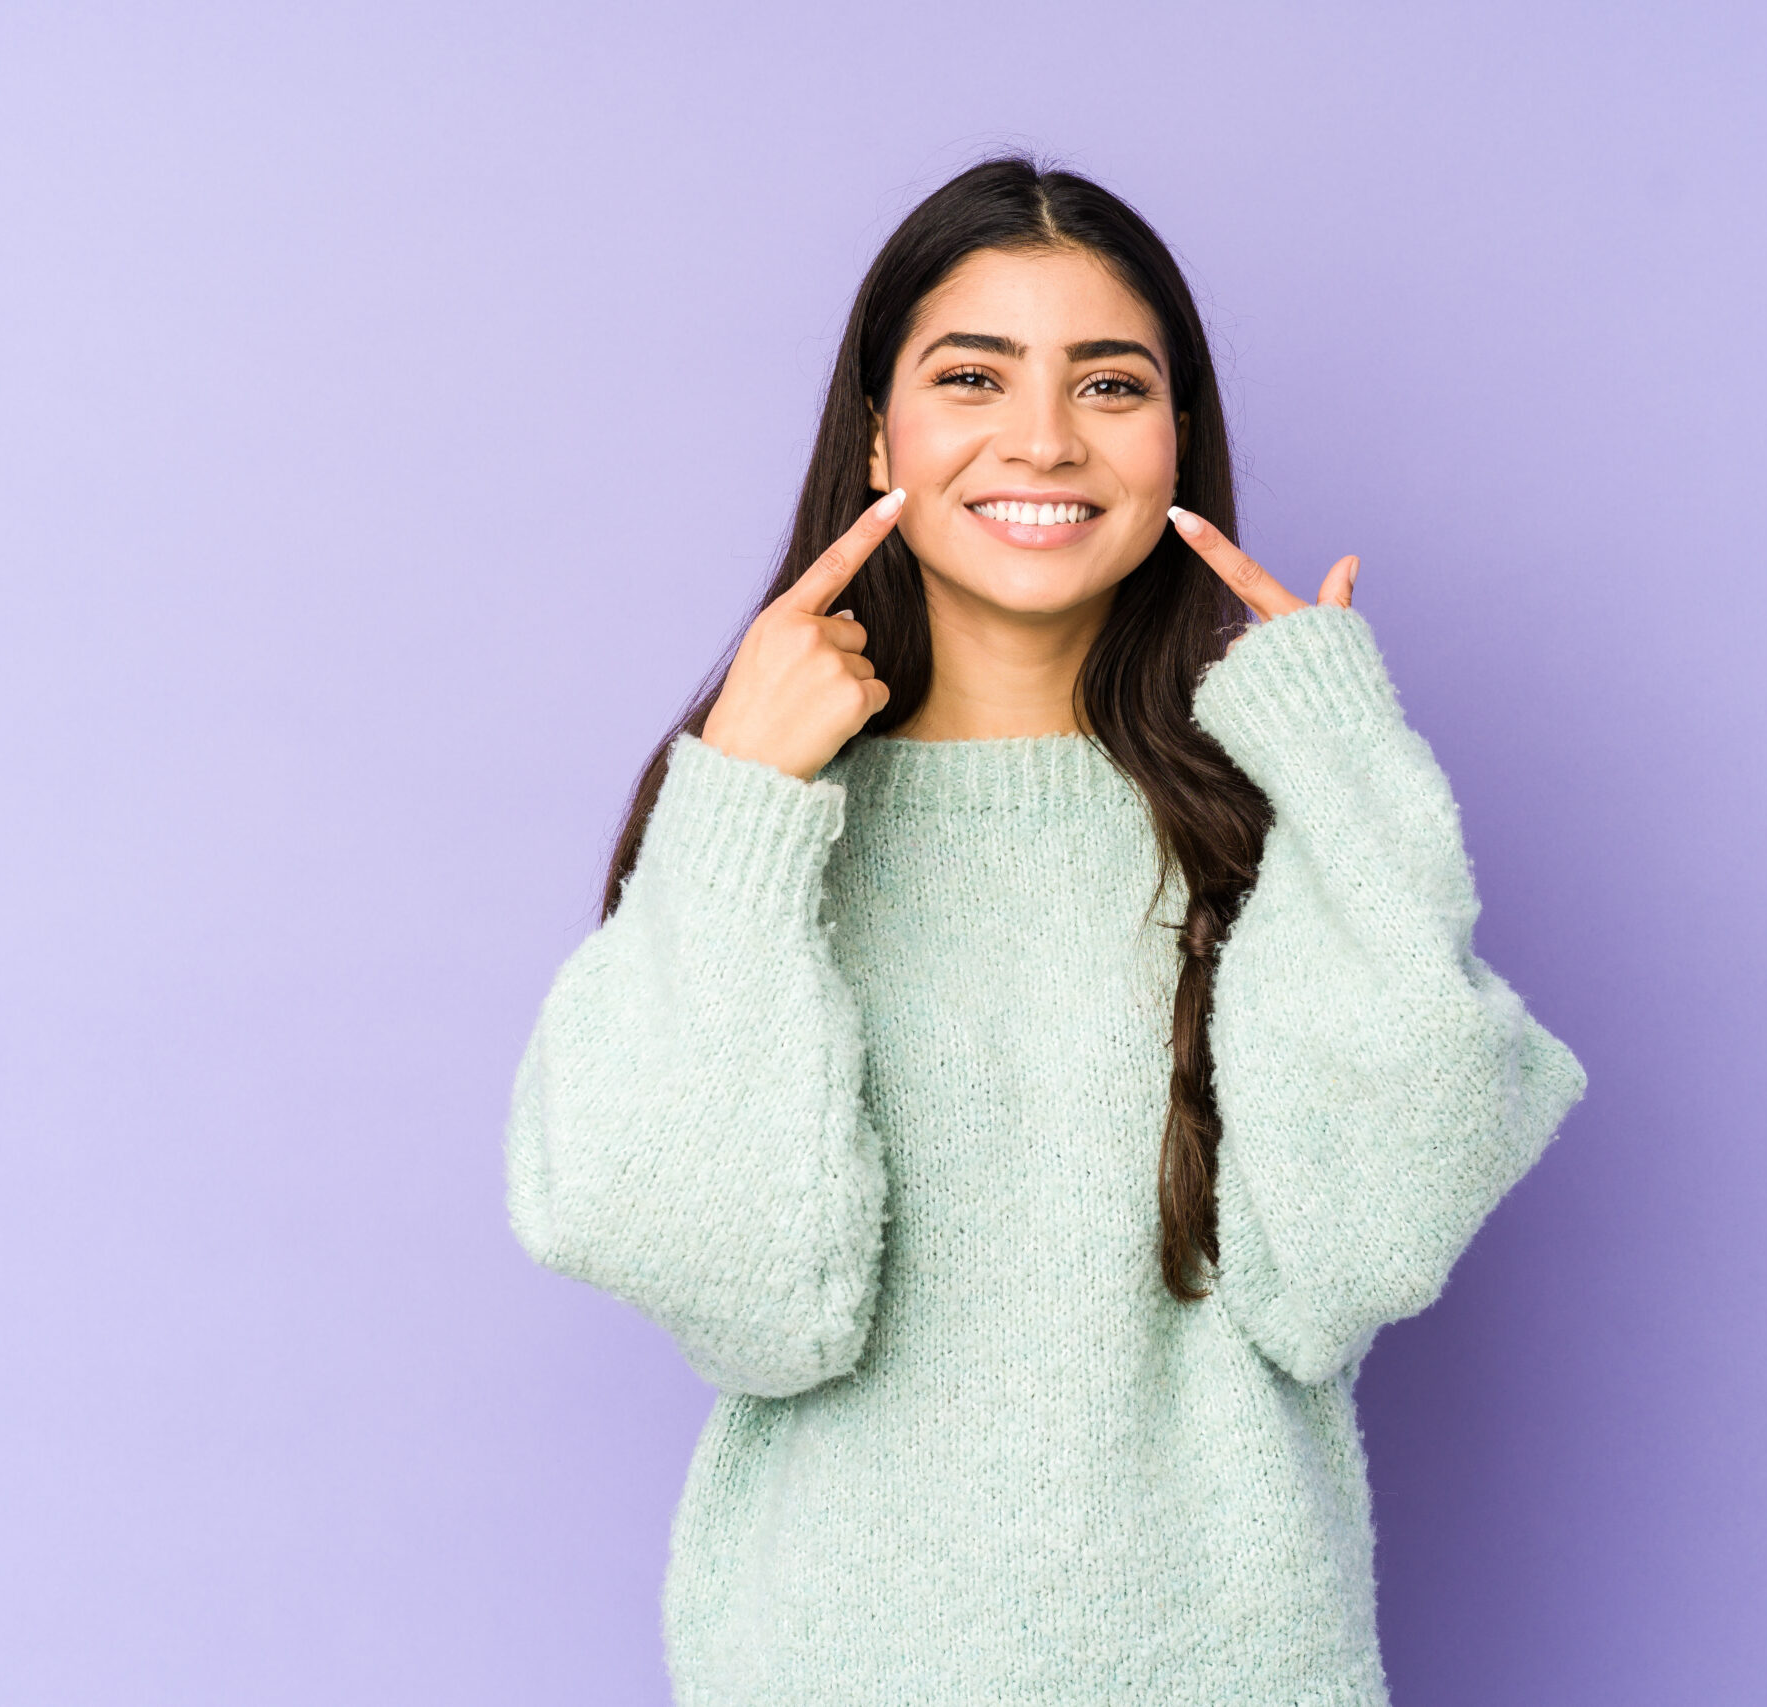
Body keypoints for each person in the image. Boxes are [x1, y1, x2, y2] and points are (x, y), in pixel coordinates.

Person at [502, 155, 1587, 1705]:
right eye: (972, 376)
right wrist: (739, 801)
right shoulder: (755, 831)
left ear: (1179, 439)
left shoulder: (1282, 813)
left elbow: (1355, 1257)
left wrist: (1348, 772)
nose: (1043, 438)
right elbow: (741, 1296)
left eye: (1110, 383)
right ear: (879, 429)